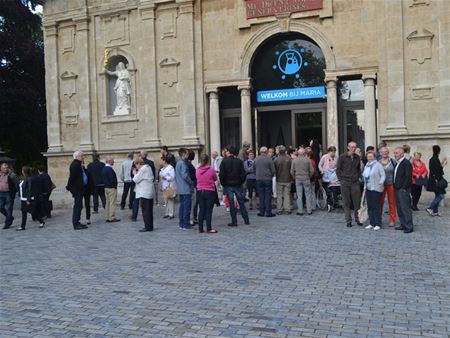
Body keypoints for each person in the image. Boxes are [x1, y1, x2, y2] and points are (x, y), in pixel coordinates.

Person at [219, 146, 250, 227]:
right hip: (237, 184)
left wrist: (223, 183)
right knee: (241, 202)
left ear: (229, 152)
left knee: (232, 204)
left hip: (228, 184)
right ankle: (246, 219)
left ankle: (234, 221)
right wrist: (240, 182)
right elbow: (243, 174)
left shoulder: (224, 162)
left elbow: (221, 175)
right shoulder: (239, 162)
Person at [336, 141, 362, 227]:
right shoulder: (342, 157)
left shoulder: (357, 157)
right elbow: (338, 169)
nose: (353, 149)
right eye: (352, 147)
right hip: (345, 182)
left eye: (355, 147)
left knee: (356, 202)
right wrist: (341, 179)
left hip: (355, 182)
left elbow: (358, 169)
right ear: (348, 147)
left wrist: (358, 176)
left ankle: (358, 219)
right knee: (346, 202)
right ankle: (348, 221)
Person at [16, 166, 45, 230]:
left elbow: (29, 189)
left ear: (24, 171)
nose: (22, 171)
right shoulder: (24, 178)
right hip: (22, 198)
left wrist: (28, 199)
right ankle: (22, 226)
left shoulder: (29, 179)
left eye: (22, 170)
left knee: (33, 211)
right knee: (24, 213)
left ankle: (41, 221)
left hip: (27, 199)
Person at [393, 147, 414, 233]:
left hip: (402, 189)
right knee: (399, 209)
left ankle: (409, 226)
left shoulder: (406, 163)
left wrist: (404, 188)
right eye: (394, 153)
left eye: (396, 153)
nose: (395, 155)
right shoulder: (398, 163)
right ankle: (403, 224)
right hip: (397, 189)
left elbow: (408, 177)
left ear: (402, 153)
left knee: (405, 208)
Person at [363, 151, 386, 230]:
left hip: (376, 187)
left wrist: (381, 182)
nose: (369, 158)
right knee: (370, 206)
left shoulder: (378, 165)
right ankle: (371, 223)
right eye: (368, 156)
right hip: (368, 188)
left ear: (374, 157)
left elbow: (383, 175)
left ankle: (378, 223)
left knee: (376, 206)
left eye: (371, 156)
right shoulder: (367, 165)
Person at [196, 154, 218, 233]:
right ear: (208, 160)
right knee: (209, 210)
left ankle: (200, 228)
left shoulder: (197, 170)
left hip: (200, 191)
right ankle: (209, 228)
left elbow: (197, 178)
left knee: (201, 210)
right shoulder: (211, 169)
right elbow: (215, 178)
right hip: (209, 191)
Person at [130, 150, 156, 221]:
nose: (136, 167)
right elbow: (153, 176)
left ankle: (135, 217)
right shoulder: (149, 165)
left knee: (145, 209)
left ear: (138, 163)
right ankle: (148, 226)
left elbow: (135, 179)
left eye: (136, 165)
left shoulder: (142, 169)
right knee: (147, 209)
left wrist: (135, 173)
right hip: (146, 190)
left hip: (143, 191)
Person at [66, 150, 88, 230]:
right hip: (77, 189)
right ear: (77, 157)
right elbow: (72, 177)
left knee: (79, 206)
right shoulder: (75, 165)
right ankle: (76, 223)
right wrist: (68, 186)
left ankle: (77, 222)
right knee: (77, 206)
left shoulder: (79, 164)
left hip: (80, 188)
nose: (83, 157)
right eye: (82, 156)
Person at [291, 147, 314, 216]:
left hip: (298, 178)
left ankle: (300, 211)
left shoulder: (294, 160)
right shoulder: (308, 160)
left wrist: (294, 177)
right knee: (308, 194)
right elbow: (312, 170)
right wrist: (309, 176)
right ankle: (309, 210)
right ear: (304, 153)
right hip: (306, 178)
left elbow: (292, 171)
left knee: (299, 195)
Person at [175, 148, 195, 230]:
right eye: (187, 154)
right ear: (183, 154)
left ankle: (181, 223)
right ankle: (185, 224)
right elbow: (185, 176)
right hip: (186, 188)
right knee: (186, 207)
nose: (188, 155)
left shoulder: (178, 163)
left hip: (180, 188)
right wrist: (191, 182)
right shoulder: (183, 164)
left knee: (182, 207)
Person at [254, 146, 276, 217]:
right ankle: (268, 212)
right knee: (268, 195)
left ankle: (261, 211)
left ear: (260, 152)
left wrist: (257, 175)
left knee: (261, 196)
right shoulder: (269, 159)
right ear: (266, 152)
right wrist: (270, 176)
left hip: (259, 179)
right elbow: (273, 170)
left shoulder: (256, 159)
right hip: (267, 179)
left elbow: (253, 169)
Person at [426, 145, 447, 216]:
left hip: (434, 180)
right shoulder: (435, 159)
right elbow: (438, 170)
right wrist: (444, 165)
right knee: (441, 195)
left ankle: (435, 211)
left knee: (437, 195)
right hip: (436, 180)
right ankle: (430, 208)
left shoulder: (433, 159)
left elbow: (436, 168)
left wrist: (442, 162)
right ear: (439, 151)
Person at [379, 147, 397, 226]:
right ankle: (378, 218)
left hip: (391, 184)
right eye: (383, 152)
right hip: (381, 185)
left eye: (386, 151)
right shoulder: (377, 162)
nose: (385, 153)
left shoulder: (393, 161)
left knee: (392, 202)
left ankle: (392, 220)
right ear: (380, 153)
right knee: (380, 202)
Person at [274, 145, 292, 214]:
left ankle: (279, 209)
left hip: (279, 179)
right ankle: (287, 209)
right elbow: (291, 168)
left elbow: (274, 170)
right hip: (288, 179)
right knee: (287, 194)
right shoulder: (289, 159)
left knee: (279, 195)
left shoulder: (276, 159)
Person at [102, 155, 120, 223]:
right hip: (111, 188)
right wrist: (114, 186)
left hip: (106, 187)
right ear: (109, 161)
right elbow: (112, 179)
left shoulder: (104, 168)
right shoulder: (109, 169)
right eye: (112, 160)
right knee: (112, 203)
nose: (114, 161)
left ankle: (107, 216)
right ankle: (111, 217)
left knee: (108, 203)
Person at [0, 162, 18, 229]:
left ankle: (7, 224)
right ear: (1, 169)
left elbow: (17, 184)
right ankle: (10, 217)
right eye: (4, 168)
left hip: (8, 194)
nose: (6, 169)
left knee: (9, 209)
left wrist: (16, 192)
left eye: (7, 168)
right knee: (0, 207)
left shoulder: (12, 175)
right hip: (1, 193)